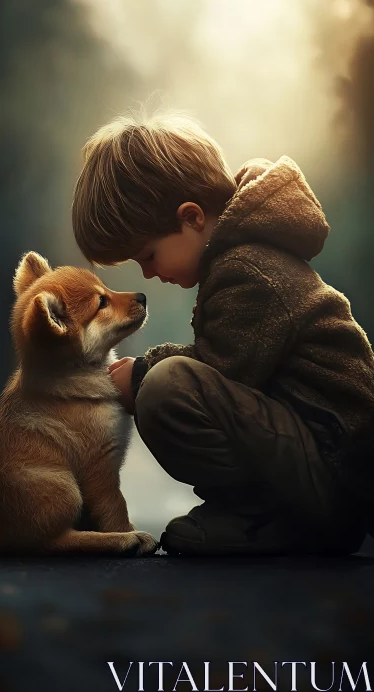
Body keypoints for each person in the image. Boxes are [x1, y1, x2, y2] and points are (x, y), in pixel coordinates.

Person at [72, 111, 374, 556]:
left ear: (192, 217)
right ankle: (270, 517)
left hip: (335, 469)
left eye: (148, 255)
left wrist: (139, 373)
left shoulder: (247, 269)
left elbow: (223, 369)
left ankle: (270, 520)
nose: (149, 275)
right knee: (165, 384)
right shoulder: (237, 258)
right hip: (318, 456)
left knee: (166, 388)